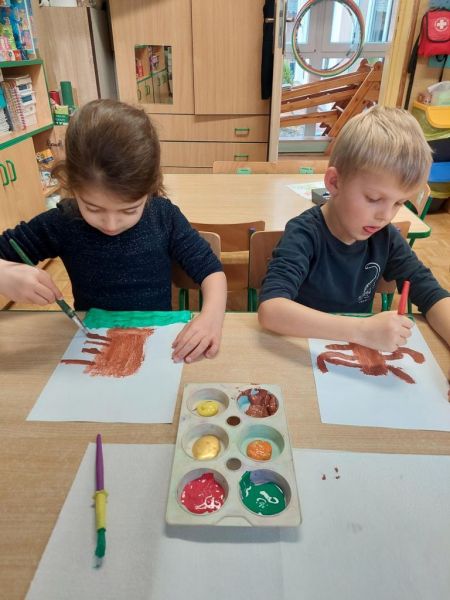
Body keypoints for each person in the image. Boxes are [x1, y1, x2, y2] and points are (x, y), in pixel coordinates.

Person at [0, 99, 227, 364]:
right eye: (93, 208)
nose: (111, 224)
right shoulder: (63, 222)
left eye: (129, 210)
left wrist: (211, 317)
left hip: (155, 346)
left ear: (149, 188)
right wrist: (4, 275)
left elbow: (211, 270)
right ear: (72, 185)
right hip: (92, 345)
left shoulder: (163, 216)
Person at [258, 106, 450, 352]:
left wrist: (362, 333)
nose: (385, 216)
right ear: (334, 182)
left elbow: (432, 294)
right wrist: (361, 330)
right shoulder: (304, 234)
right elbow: (271, 309)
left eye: (398, 203)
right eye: (373, 198)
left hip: (355, 352)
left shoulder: (386, 238)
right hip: (303, 348)